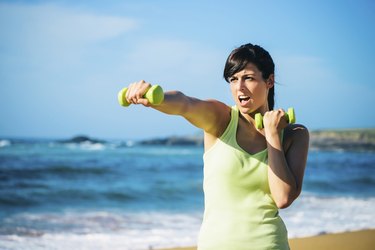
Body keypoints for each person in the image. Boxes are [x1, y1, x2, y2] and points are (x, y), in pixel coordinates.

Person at [124, 43, 309, 250]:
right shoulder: (221, 119)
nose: (240, 87)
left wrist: (272, 135)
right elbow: (186, 104)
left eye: (248, 78)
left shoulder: (295, 135)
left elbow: (283, 198)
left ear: (269, 81)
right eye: (233, 79)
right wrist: (155, 98)